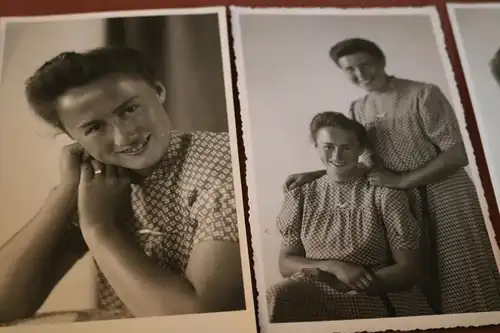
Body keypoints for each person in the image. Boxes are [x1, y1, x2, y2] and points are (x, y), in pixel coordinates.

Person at [0, 47, 245, 323]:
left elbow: (200, 322)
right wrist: (64, 195)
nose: (123, 136)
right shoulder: (98, 184)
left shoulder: (223, 164)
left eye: (129, 110)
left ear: (159, 91)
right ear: (72, 137)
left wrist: (98, 229)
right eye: (94, 128)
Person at [284, 38, 500, 314]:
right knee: (419, 280)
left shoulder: (422, 94)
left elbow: (458, 153)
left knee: (462, 277)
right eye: (350, 69)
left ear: (381, 61)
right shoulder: (359, 108)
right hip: (400, 202)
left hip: (447, 196)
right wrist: (316, 173)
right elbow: (364, 160)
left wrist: (402, 181)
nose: (359, 74)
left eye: (365, 65)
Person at [267, 111, 432, 322]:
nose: (337, 156)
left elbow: (409, 269)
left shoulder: (383, 194)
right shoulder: (301, 195)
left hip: (375, 293)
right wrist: (333, 267)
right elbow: (286, 264)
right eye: (328, 147)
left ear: (360, 149)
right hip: (318, 291)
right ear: (316, 146)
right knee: (279, 296)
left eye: (347, 148)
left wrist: (346, 284)